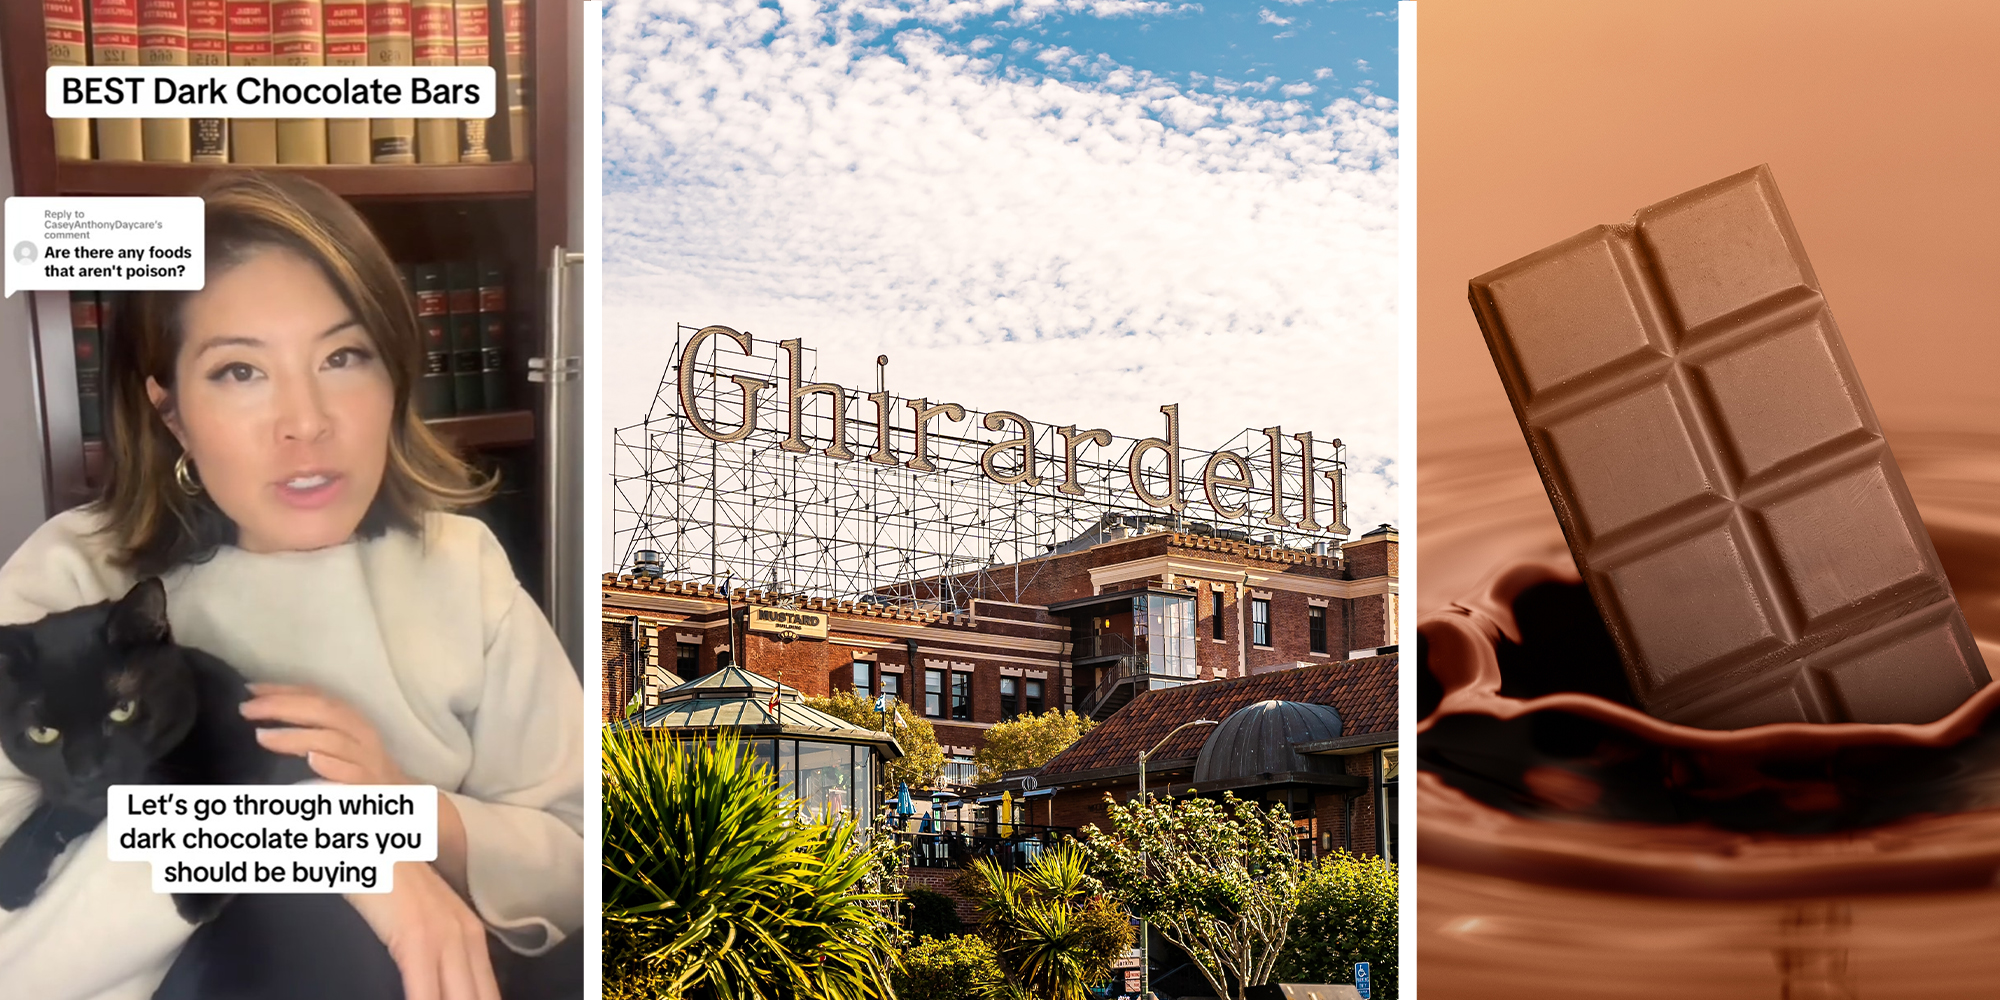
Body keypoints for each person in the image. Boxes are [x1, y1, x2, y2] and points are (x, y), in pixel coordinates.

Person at [0, 173, 584, 1000]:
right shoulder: (65, 582)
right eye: (240, 371)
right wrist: (338, 841)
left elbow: (580, 860)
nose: (306, 421)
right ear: (170, 410)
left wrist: (400, 807)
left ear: (394, 375)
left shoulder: (461, 565)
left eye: (343, 357)